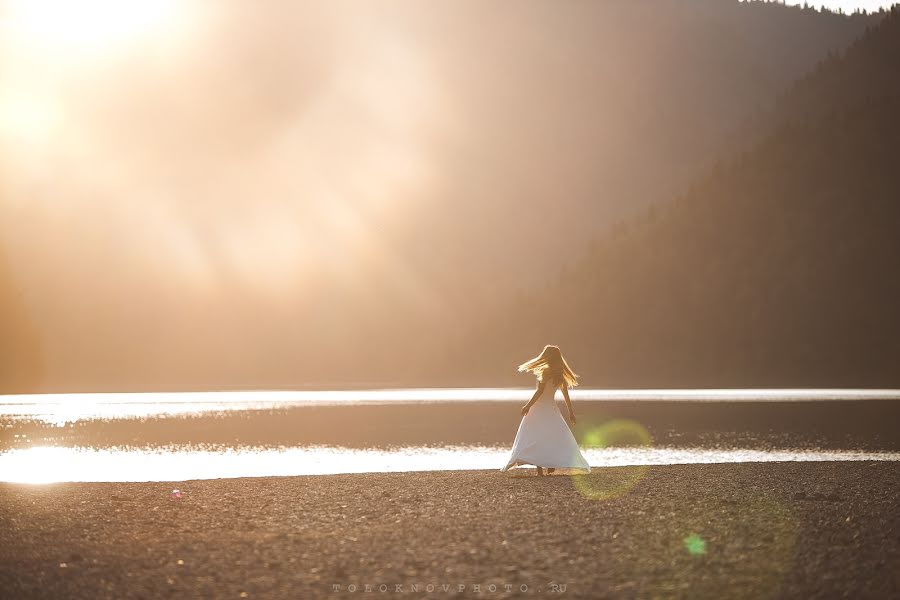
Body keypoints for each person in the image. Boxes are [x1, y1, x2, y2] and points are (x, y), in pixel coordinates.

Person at [501, 345, 590, 476]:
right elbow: (566, 395)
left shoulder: (546, 372)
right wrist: (571, 413)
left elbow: (539, 391)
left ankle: (541, 470)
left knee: (535, 435)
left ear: (547, 357)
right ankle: (550, 464)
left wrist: (528, 405)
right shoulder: (560, 374)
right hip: (551, 408)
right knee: (552, 436)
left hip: (539, 408)